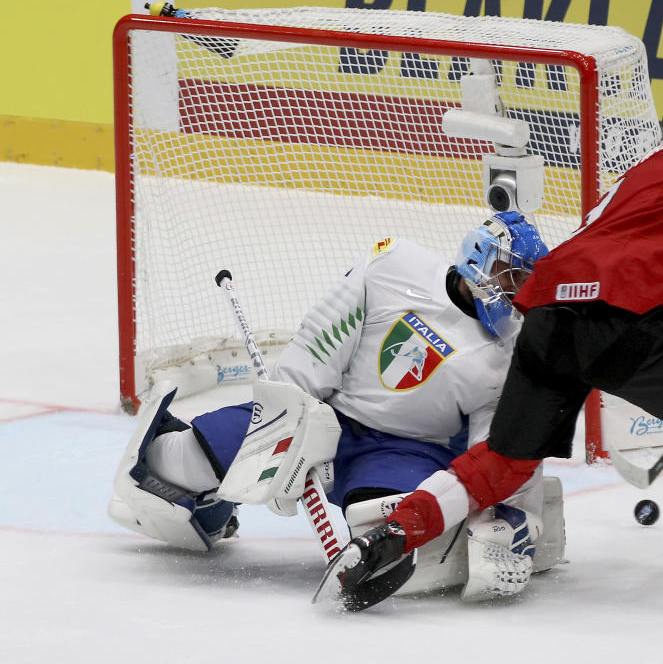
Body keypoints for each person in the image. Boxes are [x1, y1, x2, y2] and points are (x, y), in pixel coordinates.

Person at [326, 91, 663, 606]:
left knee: (506, 463)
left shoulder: (631, 190)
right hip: (614, 321)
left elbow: (645, 305)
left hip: (550, 321)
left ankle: (393, 533)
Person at [107, 211, 563, 602]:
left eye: (526, 281)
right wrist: (288, 414)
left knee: (383, 531)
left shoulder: (512, 351)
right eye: (512, 275)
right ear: (480, 258)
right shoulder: (395, 264)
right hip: (325, 415)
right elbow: (324, 335)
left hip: (406, 452)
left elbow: (501, 448)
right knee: (181, 461)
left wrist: (510, 517)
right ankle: (209, 509)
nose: (517, 291)